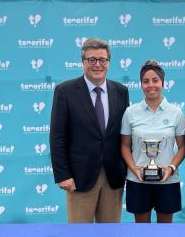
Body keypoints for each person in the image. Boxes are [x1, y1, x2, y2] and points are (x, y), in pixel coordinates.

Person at [49, 38, 129, 223]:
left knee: (110, 235)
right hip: (79, 178)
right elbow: (57, 137)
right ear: (83, 62)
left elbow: (125, 135)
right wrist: (63, 175)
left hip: (113, 178)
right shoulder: (65, 91)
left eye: (102, 60)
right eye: (92, 60)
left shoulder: (121, 91)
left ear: (109, 62)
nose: (97, 65)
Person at [120, 60, 185, 223]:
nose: (151, 85)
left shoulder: (176, 113)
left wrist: (170, 168)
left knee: (165, 232)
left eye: (155, 80)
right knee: (142, 231)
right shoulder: (130, 112)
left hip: (168, 180)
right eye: (146, 81)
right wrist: (134, 169)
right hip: (138, 180)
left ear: (162, 82)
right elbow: (124, 145)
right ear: (141, 84)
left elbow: (183, 147)